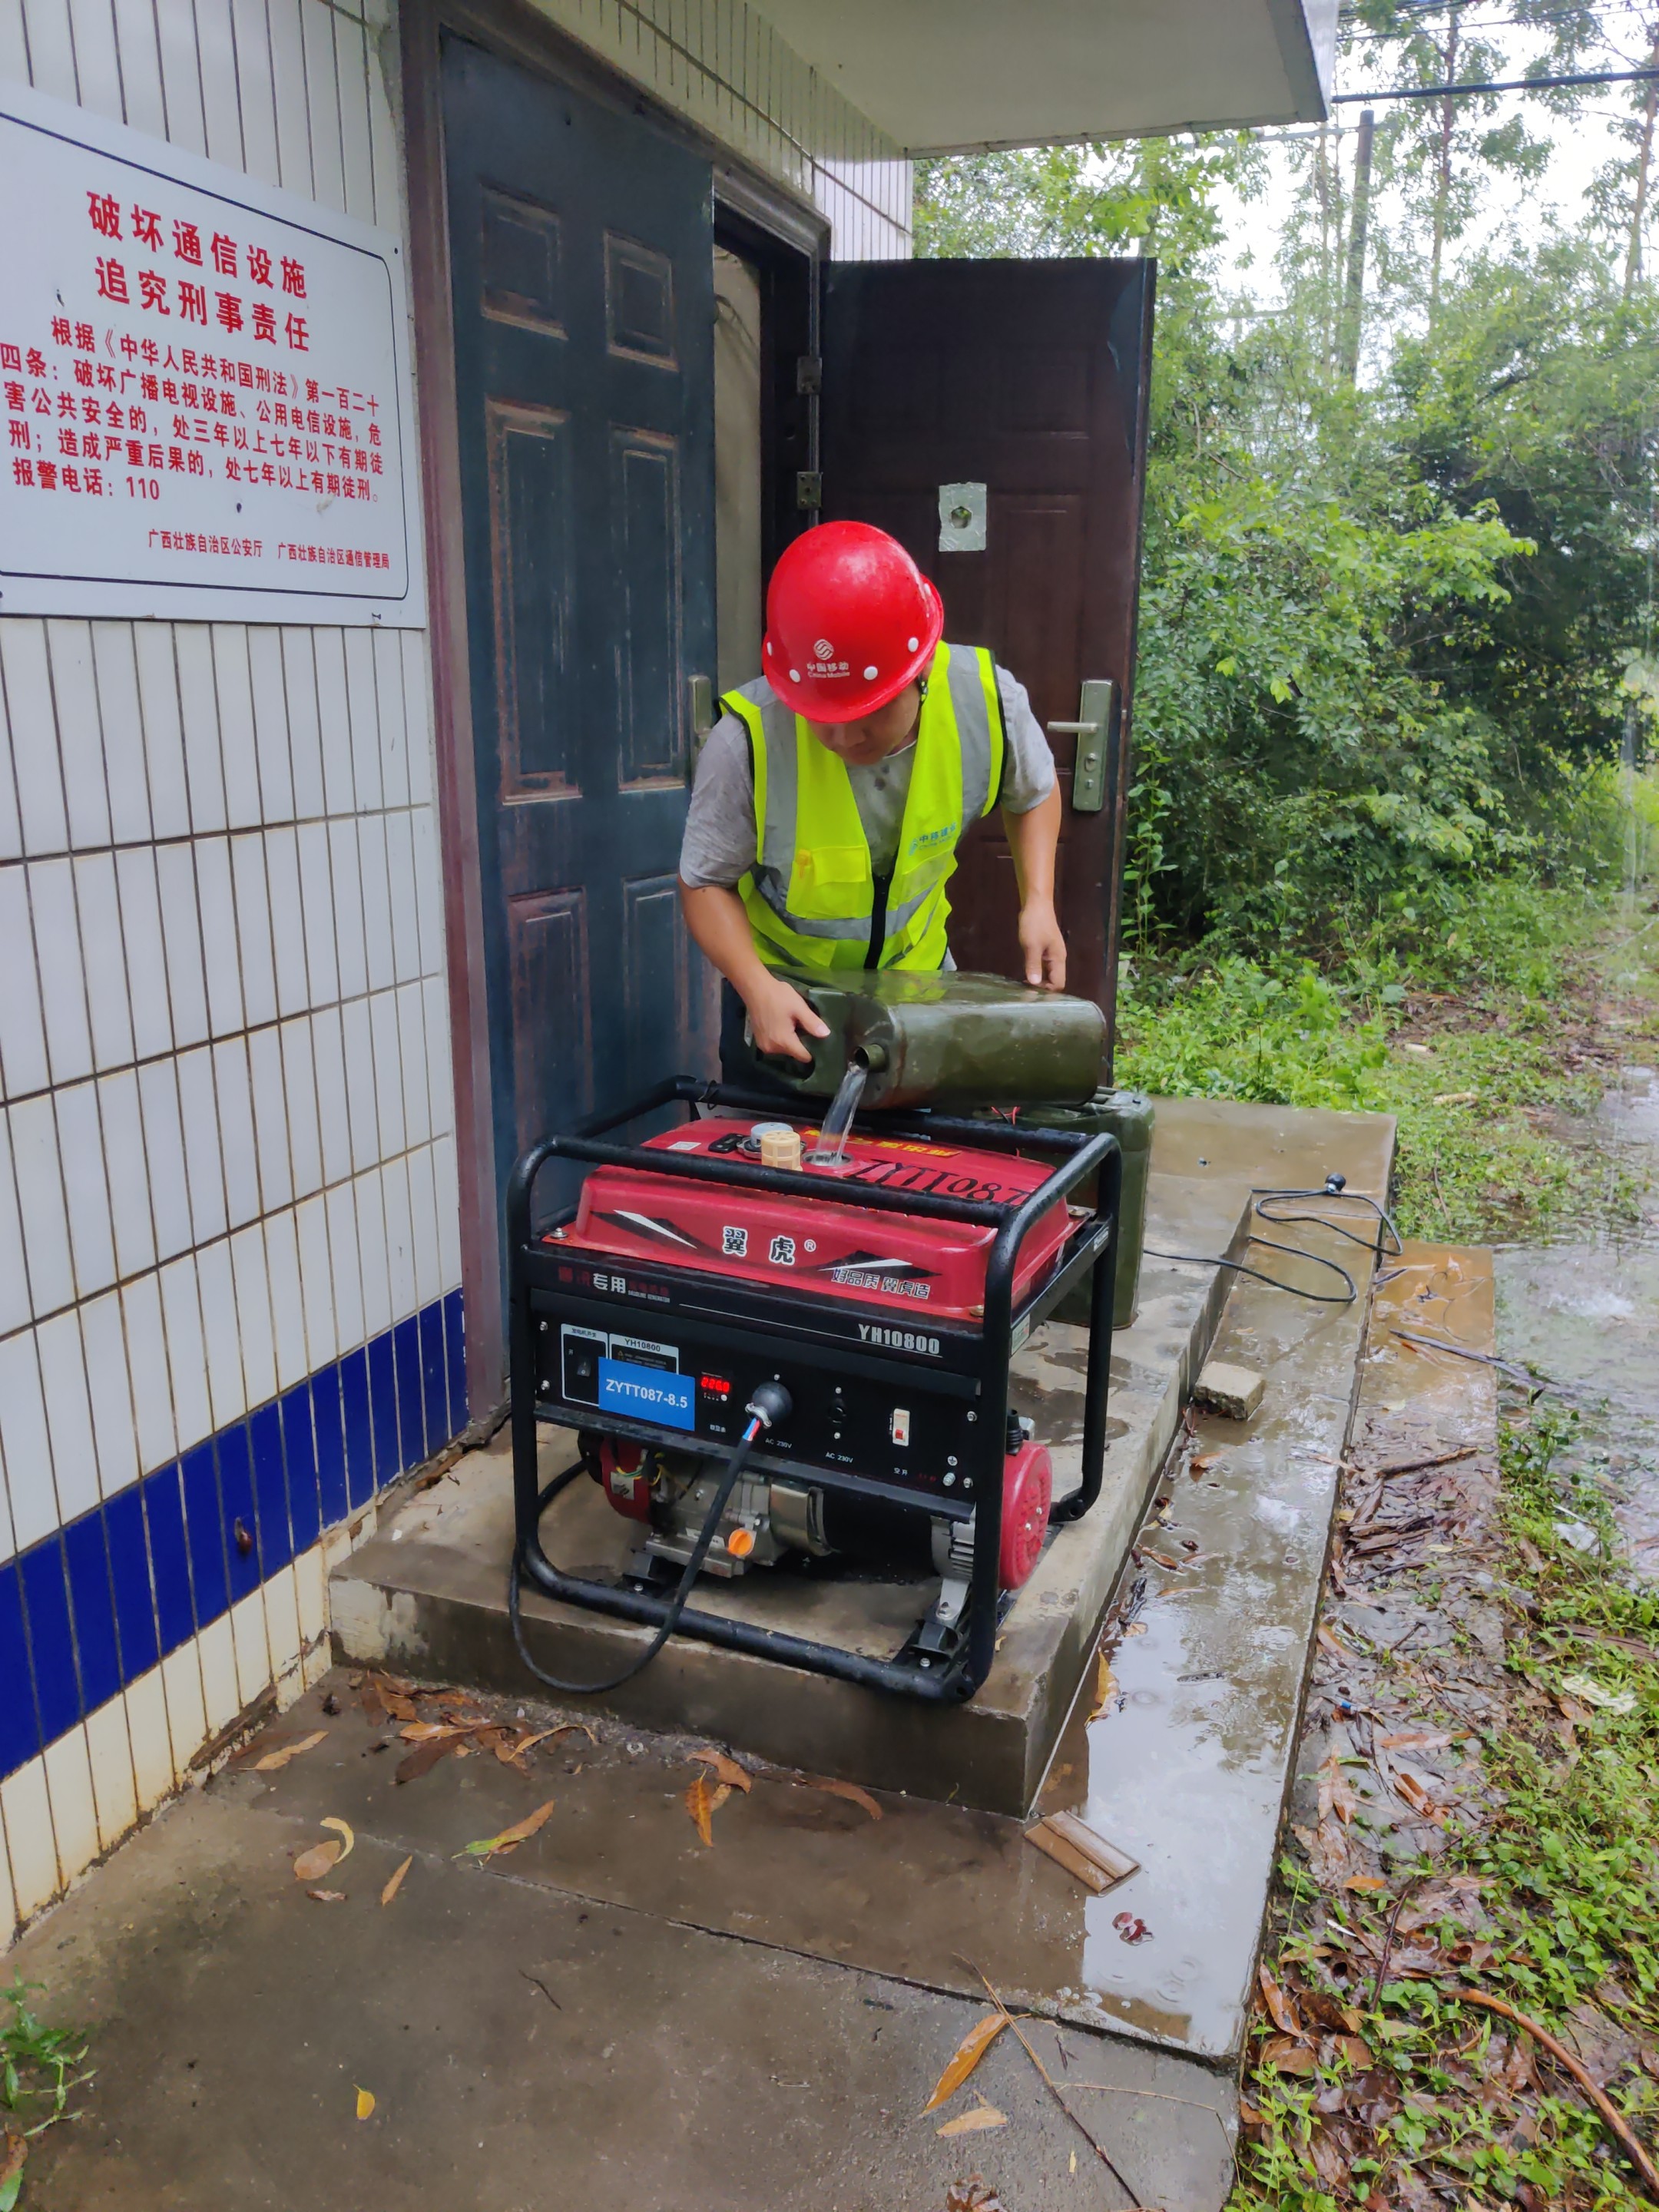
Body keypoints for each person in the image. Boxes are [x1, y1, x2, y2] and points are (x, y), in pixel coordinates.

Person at [678, 521, 1066, 1073]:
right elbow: (703, 881)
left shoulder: (986, 702)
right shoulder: (746, 740)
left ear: (921, 669)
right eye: (820, 712)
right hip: (786, 1004)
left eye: (868, 710)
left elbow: (1033, 792)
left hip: (921, 994)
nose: (842, 737)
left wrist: (1039, 902)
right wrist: (757, 988)